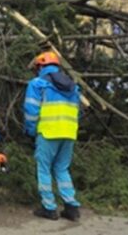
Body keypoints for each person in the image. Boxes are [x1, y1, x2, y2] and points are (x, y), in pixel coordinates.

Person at [24, 51, 82, 222]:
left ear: (41, 66)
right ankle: (71, 207)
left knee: (44, 168)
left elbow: (31, 110)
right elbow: (78, 112)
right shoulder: (73, 86)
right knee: (62, 168)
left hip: (48, 132)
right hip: (69, 132)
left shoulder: (38, 84)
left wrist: (30, 130)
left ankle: (49, 208)